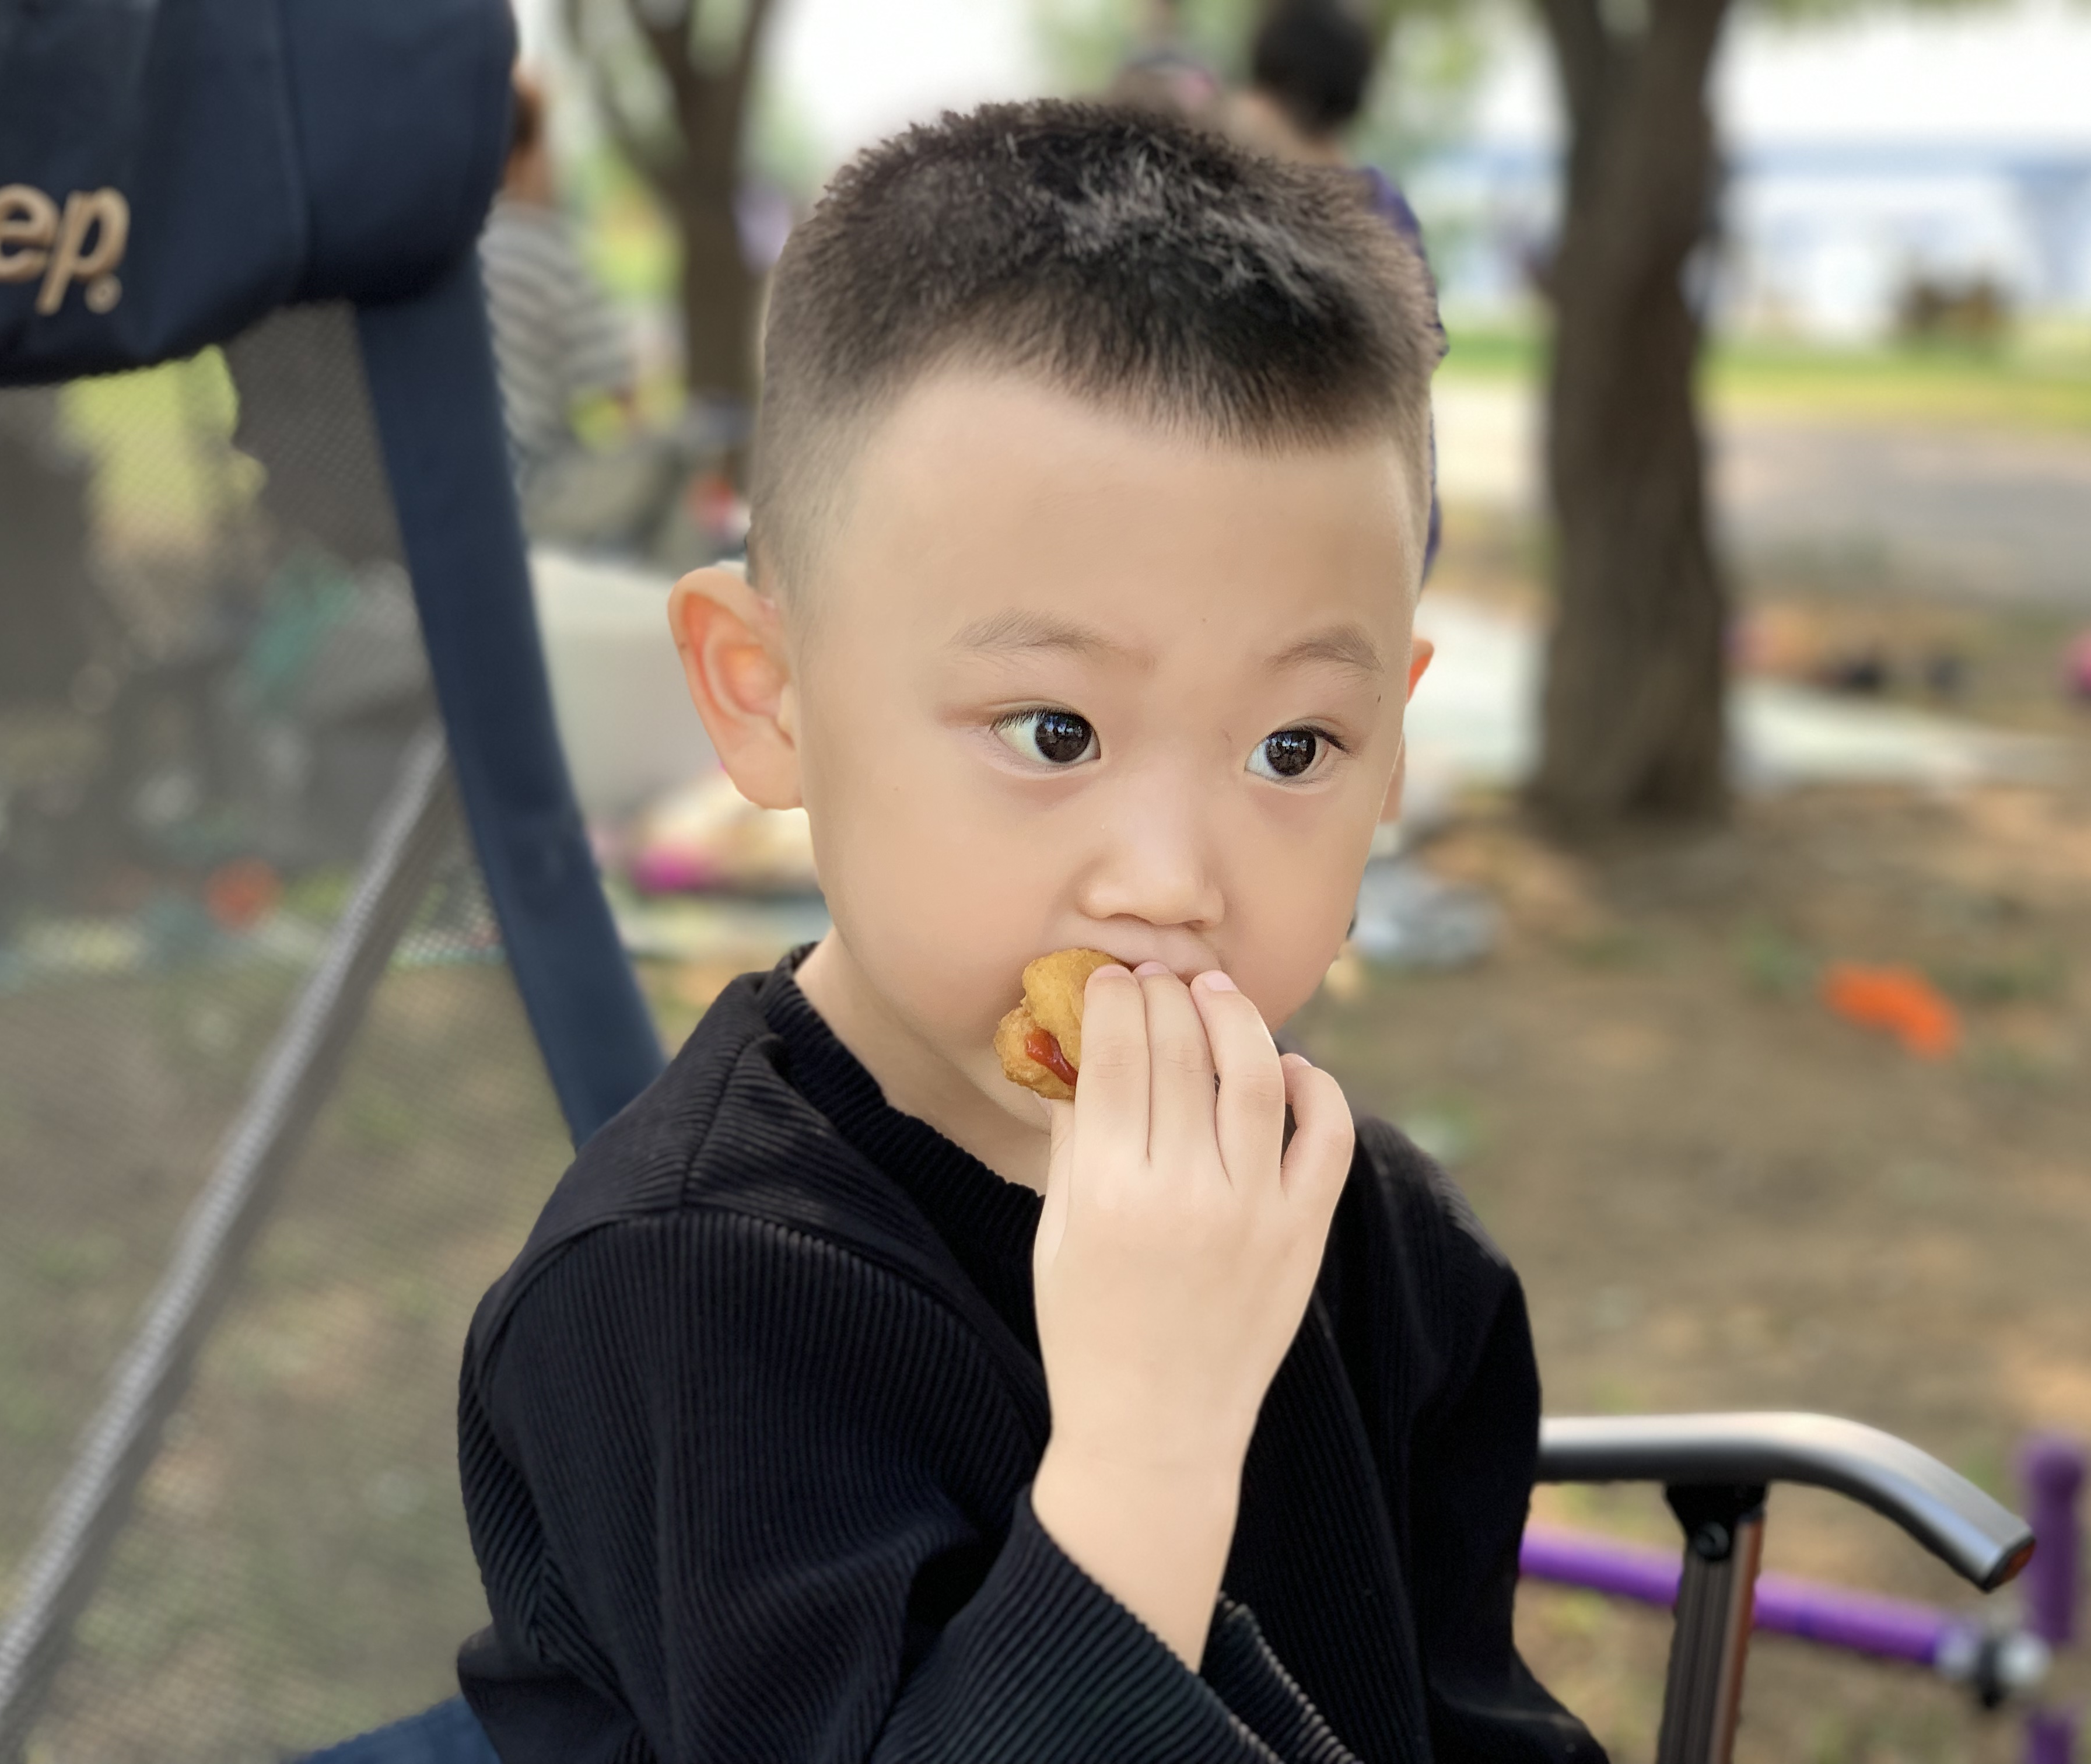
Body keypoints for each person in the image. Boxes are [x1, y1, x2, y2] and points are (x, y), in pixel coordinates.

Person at [455, 102, 1600, 1764]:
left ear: (1394, 752)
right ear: (766, 696)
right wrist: (1149, 1443)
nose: (1172, 879)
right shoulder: (683, 1299)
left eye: (1296, 747)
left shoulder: (1371, 1233)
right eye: (1054, 732)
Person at [1228, 0, 1442, 579]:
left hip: (1274, 540)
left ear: (1266, 95)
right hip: (1384, 532)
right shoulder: (1388, 213)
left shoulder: (1251, 215)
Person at [477, 71, 660, 547]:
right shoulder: (548, 253)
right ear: (522, 158)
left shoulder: (438, 257)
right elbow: (624, 400)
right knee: (668, 458)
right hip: (535, 492)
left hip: (457, 487)